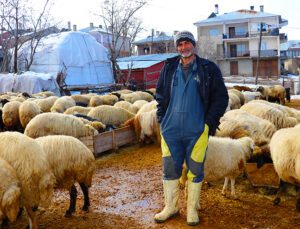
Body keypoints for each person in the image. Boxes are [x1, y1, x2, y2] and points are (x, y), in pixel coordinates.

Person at [154, 30, 229, 226]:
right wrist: (161, 118)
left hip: (197, 130)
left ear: (193, 45)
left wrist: (208, 124)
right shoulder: (169, 67)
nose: (183, 47)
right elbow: (160, 94)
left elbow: (221, 98)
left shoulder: (208, 68)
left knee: (195, 170)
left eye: (187, 43)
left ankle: (191, 209)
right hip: (170, 130)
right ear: (177, 47)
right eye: (180, 44)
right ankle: (171, 207)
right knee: (170, 170)